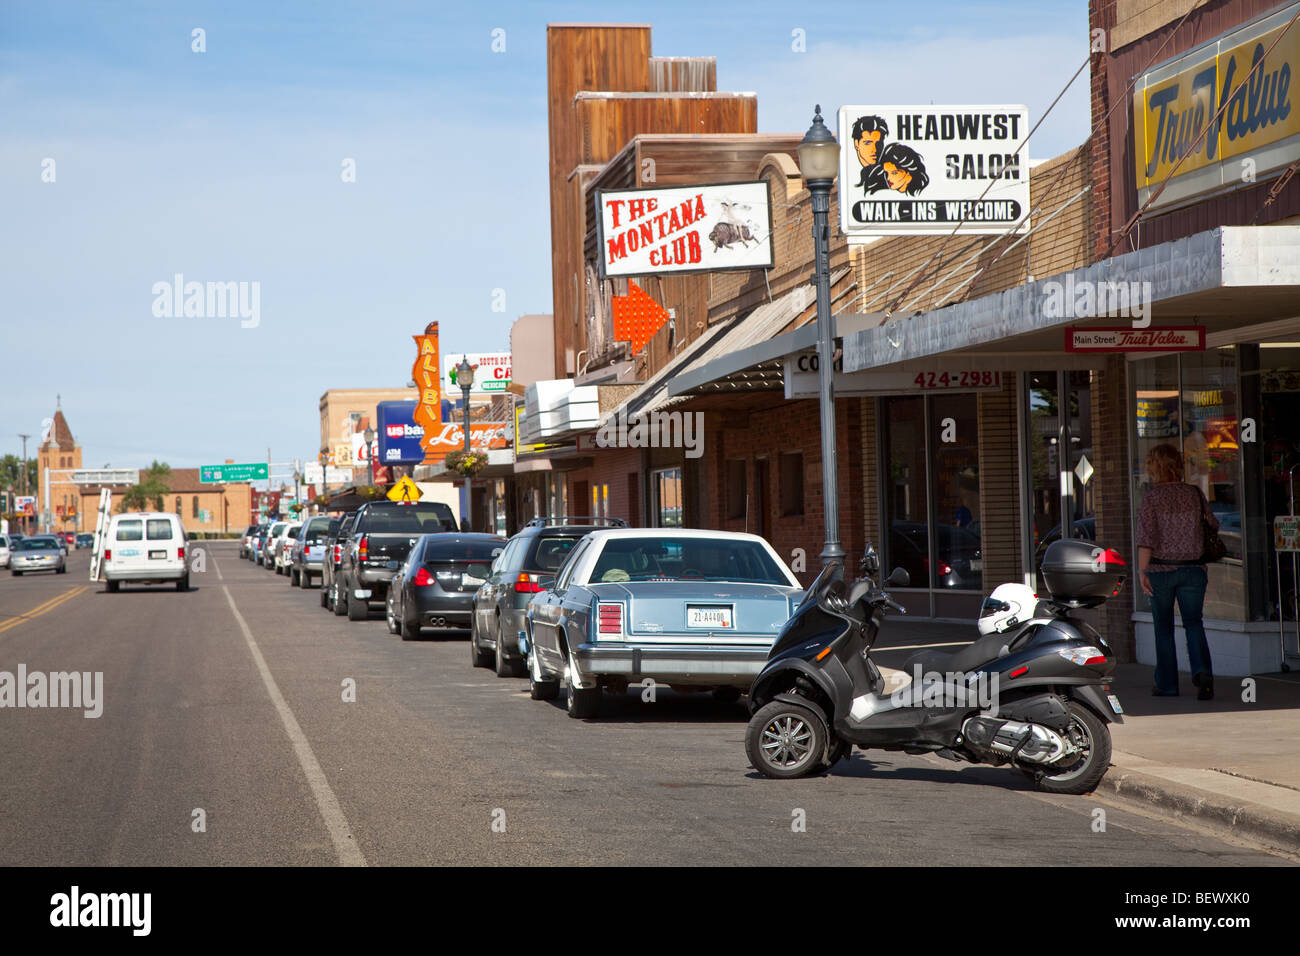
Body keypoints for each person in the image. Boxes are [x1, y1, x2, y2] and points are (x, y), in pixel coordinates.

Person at [1136, 442, 1218, 700]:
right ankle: (1202, 672)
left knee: (1164, 628)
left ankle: (1167, 685)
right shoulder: (1194, 493)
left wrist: (1142, 571)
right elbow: (1213, 524)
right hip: (1193, 570)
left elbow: (1146, 538)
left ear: (1156, 467)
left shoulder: (1152, 498)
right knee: (1194, 623)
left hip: (1161, 570)